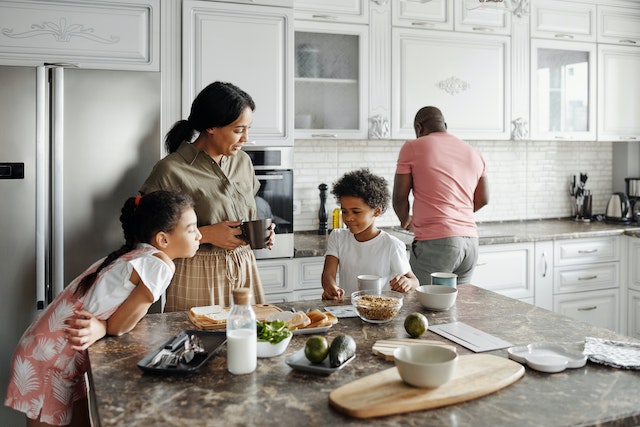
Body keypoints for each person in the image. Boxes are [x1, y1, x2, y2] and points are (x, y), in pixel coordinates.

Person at [4, 191, 201, 427]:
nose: (199, 235)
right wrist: (105, 326)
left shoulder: (138, 254)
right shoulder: (159, 265)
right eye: (191, 229)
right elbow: (119, 326)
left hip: (49, 352)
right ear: (163, 240)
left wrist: (102, 326)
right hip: (49, 361)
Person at [139, 81, 273, 311]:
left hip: (245, 267)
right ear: (211, 126)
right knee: (198, 343)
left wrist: (263, 233)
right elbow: (146, 237)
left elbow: (248, 210)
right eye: (239, 130)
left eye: (247, 129)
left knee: (252, 339)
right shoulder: (171, 169)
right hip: (195, 272)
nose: (246, 139)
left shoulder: (243, 162)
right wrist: (206, 234)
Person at [392, 106, 489, 285]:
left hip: (436, 242)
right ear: (444, 124)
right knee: (458, 304)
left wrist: (405, 219)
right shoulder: (474, 152)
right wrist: (454, 213)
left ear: (419, 128)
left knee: (420, 303)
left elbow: (399, 197)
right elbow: (483, 199)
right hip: (471, 243)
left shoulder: (413, 147)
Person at [321, 168, 419, 300]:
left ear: (377, 211)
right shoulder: (338, 237)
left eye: (356, 212)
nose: (348, 218)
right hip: (348, 308)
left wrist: (407, 283)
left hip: (380, 310)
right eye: (344, 211)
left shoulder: (392, 245)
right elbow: (328, 274)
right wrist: (331, 287)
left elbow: (414, 281)